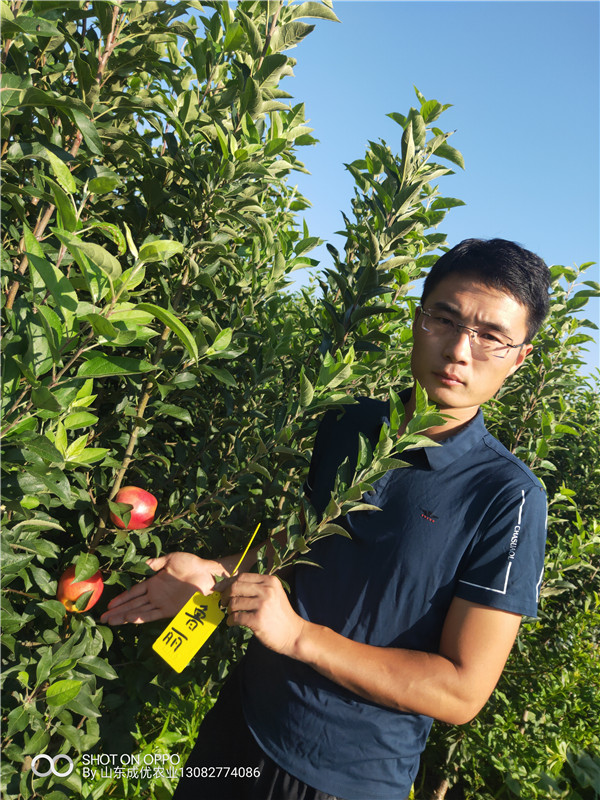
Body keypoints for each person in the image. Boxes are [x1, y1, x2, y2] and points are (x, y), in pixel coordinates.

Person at [101, 238, 551, 800]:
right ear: (419, 320)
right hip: (240, 724)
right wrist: (211, 575)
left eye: (492, 336)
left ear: (519, 357)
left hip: (345, 778)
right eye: (446, 318)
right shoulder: (350, 425)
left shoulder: (508, 497)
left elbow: (461, 691)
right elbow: (305, 551)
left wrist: (299, 637)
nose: (461, 349)